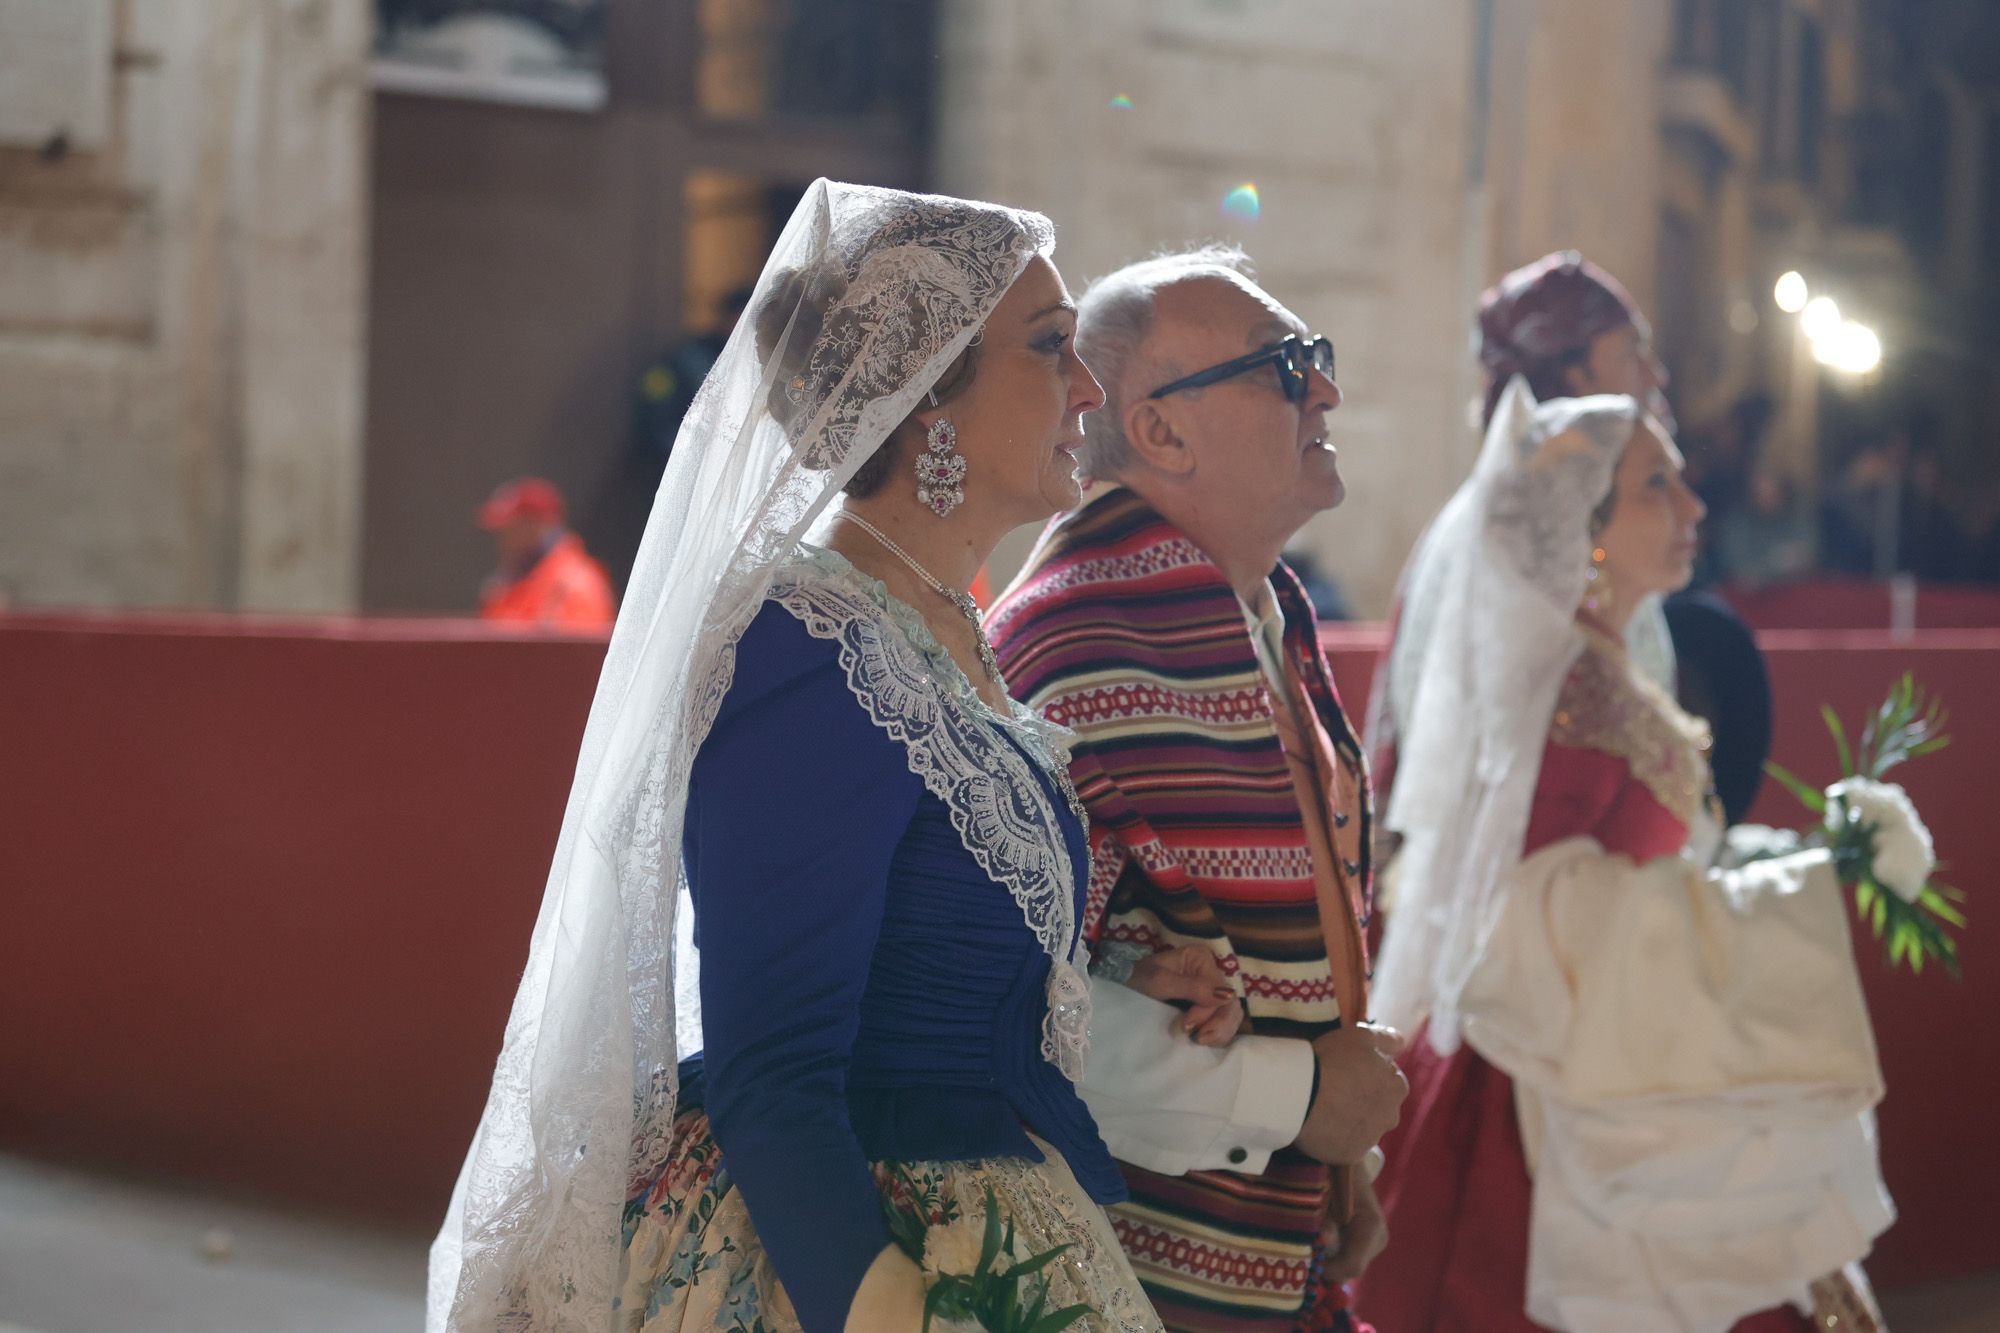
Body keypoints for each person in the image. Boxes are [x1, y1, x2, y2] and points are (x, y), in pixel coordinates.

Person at [430, 181, 1168, 1333]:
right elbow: (773, 1068)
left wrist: (1118, 972)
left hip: (992, 1196)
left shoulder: (937, 626)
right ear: (926, 402)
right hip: (839, 1243)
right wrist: (879, 1305)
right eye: (1048, 347)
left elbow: (931, 944)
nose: (1088, 389)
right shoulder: (807, 645)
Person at [1355, 379, 1898, 1331]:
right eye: (1658, 485)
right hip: (1555, 1075)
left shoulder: (1601, 672)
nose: (1693, 507)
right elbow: (1532, 900)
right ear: (1589, 527)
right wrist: (1777, 902)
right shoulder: (1576, 693)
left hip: (1613, 1044)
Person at [988, 247, 1407, 1332]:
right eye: (1284, 365)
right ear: (1160, 431)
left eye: (1315, 356)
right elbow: (1003, 1009)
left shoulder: (1258, 605)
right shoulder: (1072, 640)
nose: (1325, 390)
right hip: (1131, 1268)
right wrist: (1301, 1099)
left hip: (1276, 1234)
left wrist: (1336, 1160)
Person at [476, 477, 617, 629]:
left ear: (539, 524)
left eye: (512, 528)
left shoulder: (576, 582)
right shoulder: (510, 581)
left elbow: (585, 642)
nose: (502, 540)